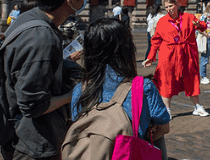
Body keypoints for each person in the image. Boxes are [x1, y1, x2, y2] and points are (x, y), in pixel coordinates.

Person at [1, 0, 87, 160]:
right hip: (34, 143)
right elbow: (33, 104)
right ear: (71, 0)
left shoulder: (27, 19)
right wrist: (74, 93)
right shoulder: (42, 37)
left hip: (21, 135)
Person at [69, 18, 170, 159]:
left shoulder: (81, 88)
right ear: (126, 48)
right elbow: (164, 127)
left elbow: (77, 122)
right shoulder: (142, 87)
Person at [142, 0, 210, 117]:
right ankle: (167, 109)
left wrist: (198, 24)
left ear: (177, 5)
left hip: (187, 54)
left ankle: (197, 106)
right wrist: (150, 57)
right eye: (166, 7)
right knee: (167, 80)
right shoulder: (162, 21)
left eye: (171, 6)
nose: (169, 9)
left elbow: (203, 27)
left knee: (191, 79)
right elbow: (156, 40)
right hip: (169, 55)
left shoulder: (189, 17)